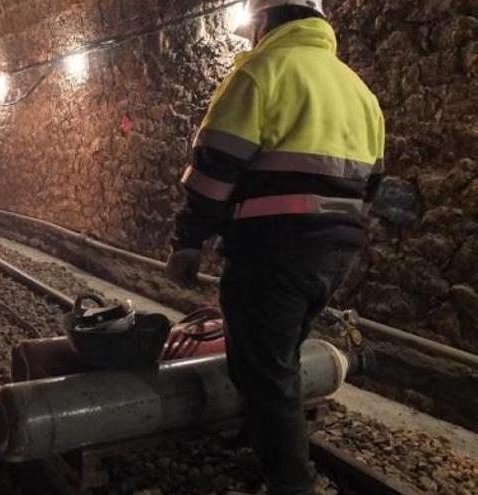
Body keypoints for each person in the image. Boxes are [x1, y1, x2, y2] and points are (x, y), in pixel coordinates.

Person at [166, 1, 385, 493]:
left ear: (263, 23)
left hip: (272, 253)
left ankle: (291, 482)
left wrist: (188, 243)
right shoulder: (358, 91)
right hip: (336, 255)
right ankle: (261, 437)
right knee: (276, 356)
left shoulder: (261, 74)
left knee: (264, 370)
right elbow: (372, 183)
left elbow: (213, 172)